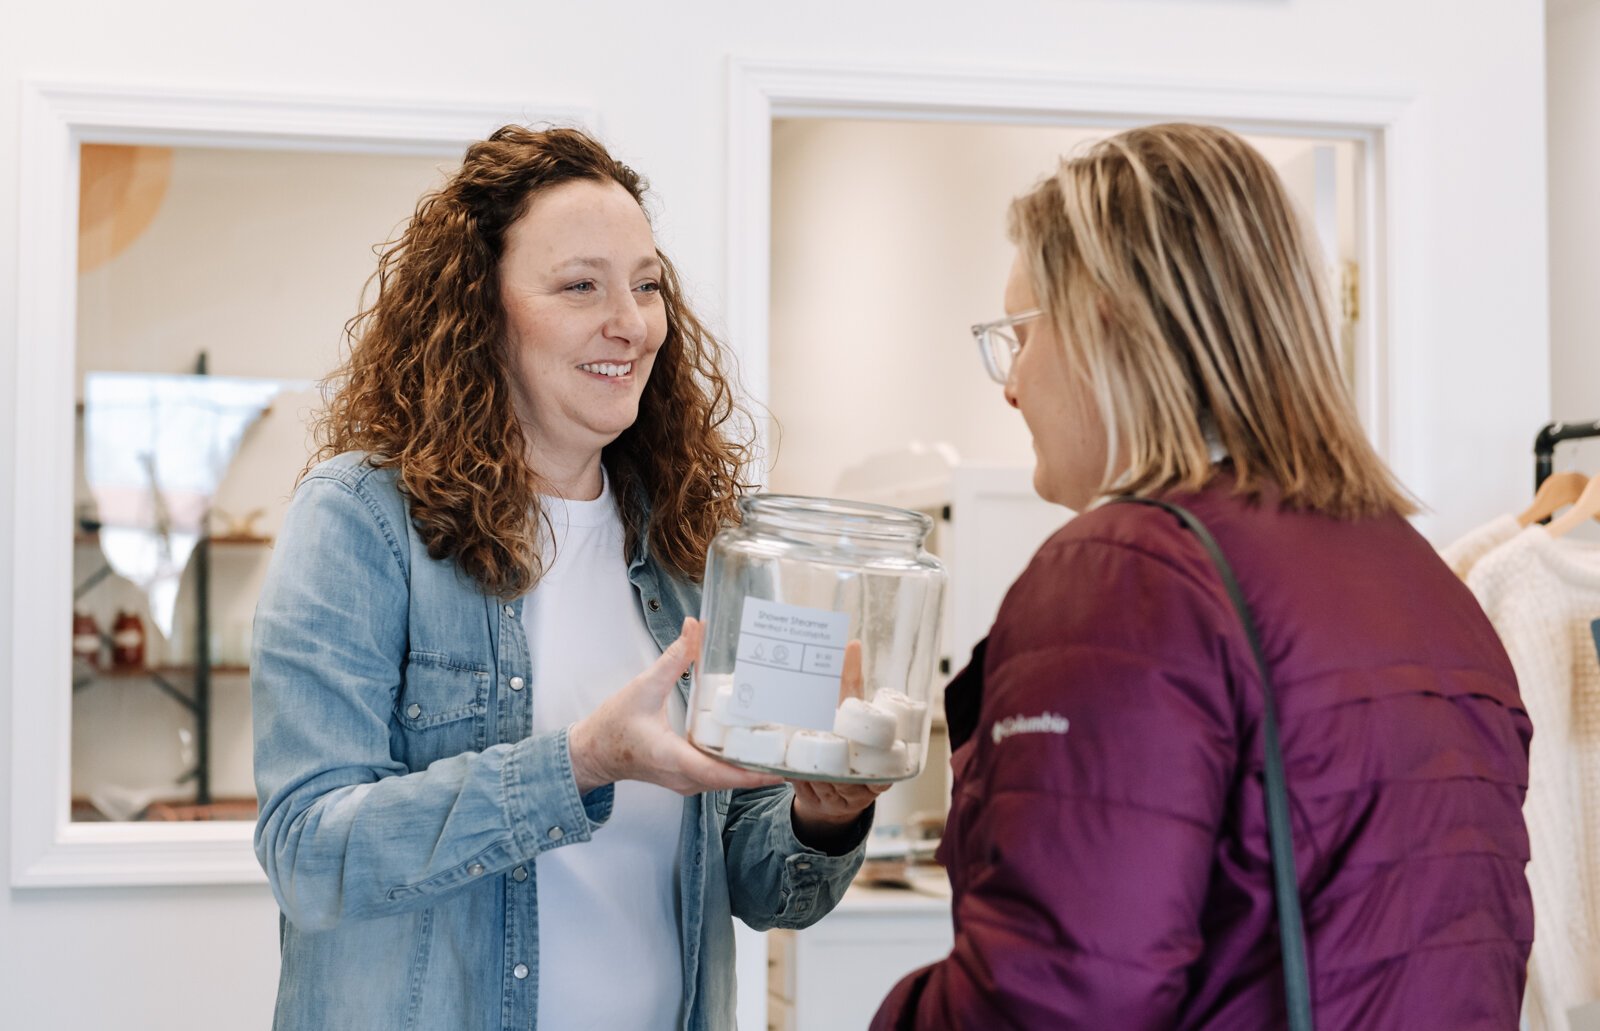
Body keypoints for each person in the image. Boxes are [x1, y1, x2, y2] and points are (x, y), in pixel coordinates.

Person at [873, 123, 1533, 1029]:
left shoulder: (1125, 574)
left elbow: (1052, 1001)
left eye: (1017, 335)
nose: (1011, 386)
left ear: (1107, 318)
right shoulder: (1427, 584)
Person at [251, 125, 881, 1031]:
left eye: (647, 283)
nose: (630, 320)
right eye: (580, 285)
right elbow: (311, 853)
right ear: (480, 310)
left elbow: (760, 883)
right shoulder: (362, 519)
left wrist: (824, 816)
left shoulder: (704, 543)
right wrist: (579, 763)